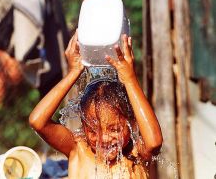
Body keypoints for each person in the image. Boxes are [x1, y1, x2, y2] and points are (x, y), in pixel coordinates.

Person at [29, 31, 163, 178]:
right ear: (83, 126)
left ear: (132, 124)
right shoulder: (78, 149)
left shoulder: (136, 156)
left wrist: (130, 78)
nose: (103, 138)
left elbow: (154, 142)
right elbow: (38, 121)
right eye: (93, 131)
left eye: (114, 129)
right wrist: (73, 72)